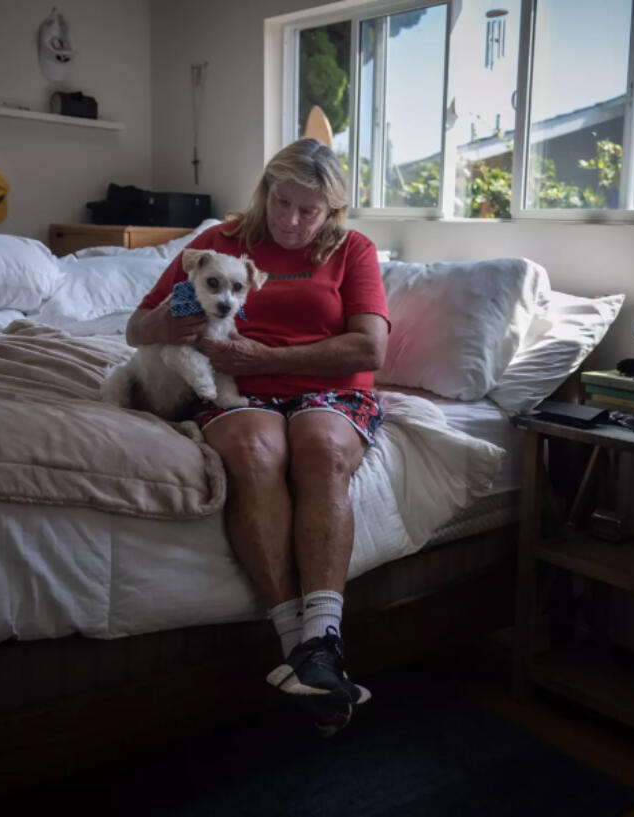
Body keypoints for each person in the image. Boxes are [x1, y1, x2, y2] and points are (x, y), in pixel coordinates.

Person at [125, 139, 389, 736]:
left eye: (308, 211)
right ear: (266, 191)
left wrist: (264, 352)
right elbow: (136, 328)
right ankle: (304, 649)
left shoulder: (354, 251)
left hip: (332, 388)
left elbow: (371, 347)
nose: (292, 221)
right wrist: (165, 322)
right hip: (238, 388)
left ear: (333, 212)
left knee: (320, 450)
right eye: (282, 202)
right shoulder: (219, 241)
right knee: (253, 450)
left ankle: (320, 642)